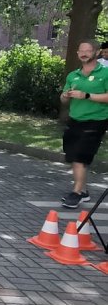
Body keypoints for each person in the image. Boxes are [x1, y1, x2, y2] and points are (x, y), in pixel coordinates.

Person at [59, 40, 108, 208]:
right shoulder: (73, 75)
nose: (84, 54)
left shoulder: (106, 73)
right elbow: (63, 99)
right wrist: (65, 96)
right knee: (72, 155)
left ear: (96, 52)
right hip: (75, 120)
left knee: (80, 155)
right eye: (81, 51)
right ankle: (84, 191)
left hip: (96, 121)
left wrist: (86, 95)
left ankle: (77, 193)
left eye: (88, 51)